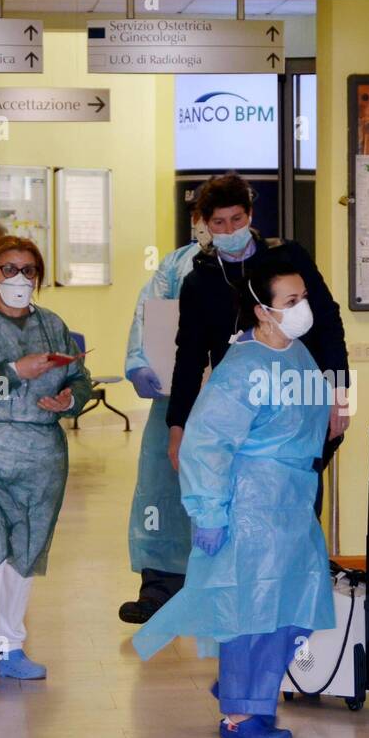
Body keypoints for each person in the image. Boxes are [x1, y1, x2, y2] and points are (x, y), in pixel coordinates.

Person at [134, 256, 336, 738]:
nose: (303, 307)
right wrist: (208, 511)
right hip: (250, 504)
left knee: (293, 605)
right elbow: (207, 443)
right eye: (291, 301)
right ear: (263, 310)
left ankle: (246, 689)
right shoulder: (242, 368)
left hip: (292, 503)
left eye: (303, 297)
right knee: (253, 609)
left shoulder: (298, 354)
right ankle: (241, 715)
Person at [0, 236, 94, 695]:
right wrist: (12, 370)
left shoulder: (52, 324)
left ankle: (10, 646)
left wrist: (70, 400)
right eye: (9, 269)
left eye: (29, 270)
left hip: (39, 455)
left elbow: (78, 377)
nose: (19, 279)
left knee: (24, 555)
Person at [165, 173, 349, 518]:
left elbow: (328, 322)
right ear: (204, 224)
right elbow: (188, 357)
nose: (229, 228)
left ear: (250, 215)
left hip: (300, 396)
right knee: (247, 508)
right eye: (218, 222)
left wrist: (340, 393)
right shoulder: (200, 281)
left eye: (237, 218)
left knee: (299, 507)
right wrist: (177, 426)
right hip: (243, 410)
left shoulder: (289, 259)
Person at [117, 200, 208, 624]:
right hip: (177, 395)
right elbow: (147, 315)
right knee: (160, 486)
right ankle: (160, 587)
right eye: (209, 220)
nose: (218, 229)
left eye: (232, 219)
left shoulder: (262, 264)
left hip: (237, 400)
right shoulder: (176, 266)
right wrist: (139, 360)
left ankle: (216, 586)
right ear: (195, 222)